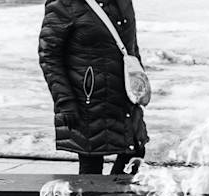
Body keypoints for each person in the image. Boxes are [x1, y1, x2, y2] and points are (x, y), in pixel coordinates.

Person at [38, 0, 148, 176]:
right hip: (87, 98)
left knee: (135, 153)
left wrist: (139, 82)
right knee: (92, 163)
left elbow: (130, 46)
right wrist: (65, 101)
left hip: (123, 95)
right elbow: (49, 55)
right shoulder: (65, 3)